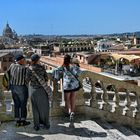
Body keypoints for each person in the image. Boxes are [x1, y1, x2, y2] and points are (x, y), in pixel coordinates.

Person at [53, 54, 82, 121]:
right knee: (73, 99)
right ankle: (72, 112)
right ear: (70, 59)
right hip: (74, 84)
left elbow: (56, 72)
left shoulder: (63, 67)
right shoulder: (74, 66)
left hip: (67, 85)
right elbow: (79, 73)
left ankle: (69, 112)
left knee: (67, 100)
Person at [26, 54, 50, 131]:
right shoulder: (42, 67)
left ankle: (36, 126)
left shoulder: (29, 69)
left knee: (35, 108)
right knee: (45, 108)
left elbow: (27, 80)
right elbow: (46, 78)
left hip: (33, 90)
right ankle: (46, 124)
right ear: (37, 60)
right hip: (42, 90)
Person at [8, 54, 30, 126]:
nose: (25, 61)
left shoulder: (12, 66)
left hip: (13, 87)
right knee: (23, 104)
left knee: (16, 104)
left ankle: (17, 121)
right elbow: (27, 80)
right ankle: (23, 121)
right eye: (24, 60)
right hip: (22, 88)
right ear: (20, 60)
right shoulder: (25, 68)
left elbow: (8, 75)